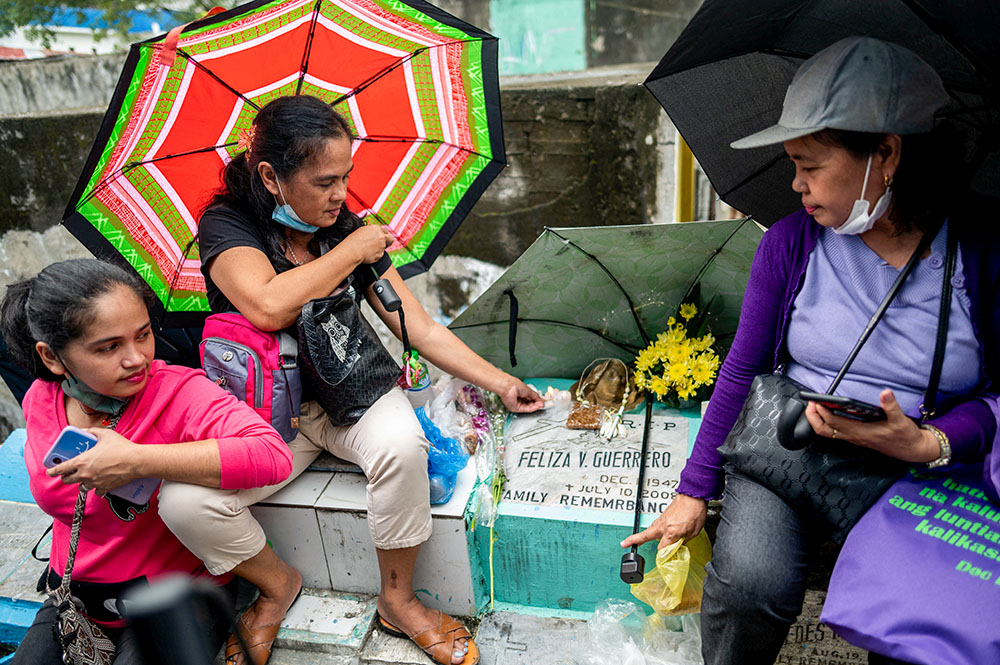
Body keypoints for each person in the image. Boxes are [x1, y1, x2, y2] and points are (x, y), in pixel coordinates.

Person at [622, 37, 1000, 665]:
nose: (795, 183)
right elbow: (743, 368)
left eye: (811, 164)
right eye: (792, 163)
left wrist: (930, 442)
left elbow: (995, 396)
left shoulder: (981, 253)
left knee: (912, 616)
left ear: (886, 154)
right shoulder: (793, 244)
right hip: (787, 454)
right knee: (749, 585)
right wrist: (694, 490)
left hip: (914, 474)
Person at [183, 94, 544, 665]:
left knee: (402, 446)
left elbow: (417, 324)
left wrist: (500, 382)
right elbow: (267, 306)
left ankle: (398, 601)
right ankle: (277, 587)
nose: (339, 195)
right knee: (185, 502)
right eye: (325, 181)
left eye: (345, 177)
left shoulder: (344, 226)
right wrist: (352, 250)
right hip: (270, 416)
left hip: (354, 394)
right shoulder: (228, 225)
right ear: (272, 176)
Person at [0, 259, 294, 664]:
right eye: (109, 347)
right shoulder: (41, 398)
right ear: (52, 358)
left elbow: (270, 454)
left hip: (175, 597)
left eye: (143, 335)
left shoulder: (177, 392)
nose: (136, 358)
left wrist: (139, 460)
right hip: (75, 600)